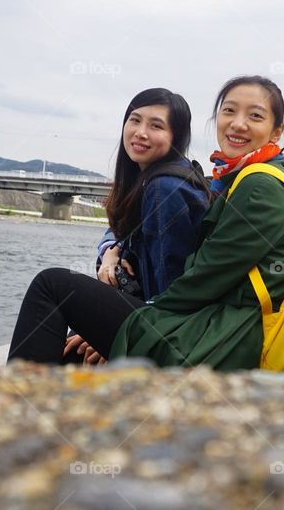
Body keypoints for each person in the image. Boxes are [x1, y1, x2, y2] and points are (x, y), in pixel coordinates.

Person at [8, 75, 284, 371]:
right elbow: (133, 236)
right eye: (229, 111)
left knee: (52, 285)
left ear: (276, 131)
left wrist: (107, 329)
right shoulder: (233, 179)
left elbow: (198, 282)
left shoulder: (256, 188)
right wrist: (111, 249)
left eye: (255, 115)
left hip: (216, 337)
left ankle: (10, 405)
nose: (238, 123)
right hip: (207, 323)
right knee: (65, 342)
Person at [66, 88, 211, 365]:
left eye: (156, 125)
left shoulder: (163, 187)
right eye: (135, 120)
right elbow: (119, 229)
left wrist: (115, 336)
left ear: (176, 137)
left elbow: (169, 289)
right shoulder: (151, 179)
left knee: (53, 287)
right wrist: (111, 250)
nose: (140, 132)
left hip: (161, 331)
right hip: (147, 316)